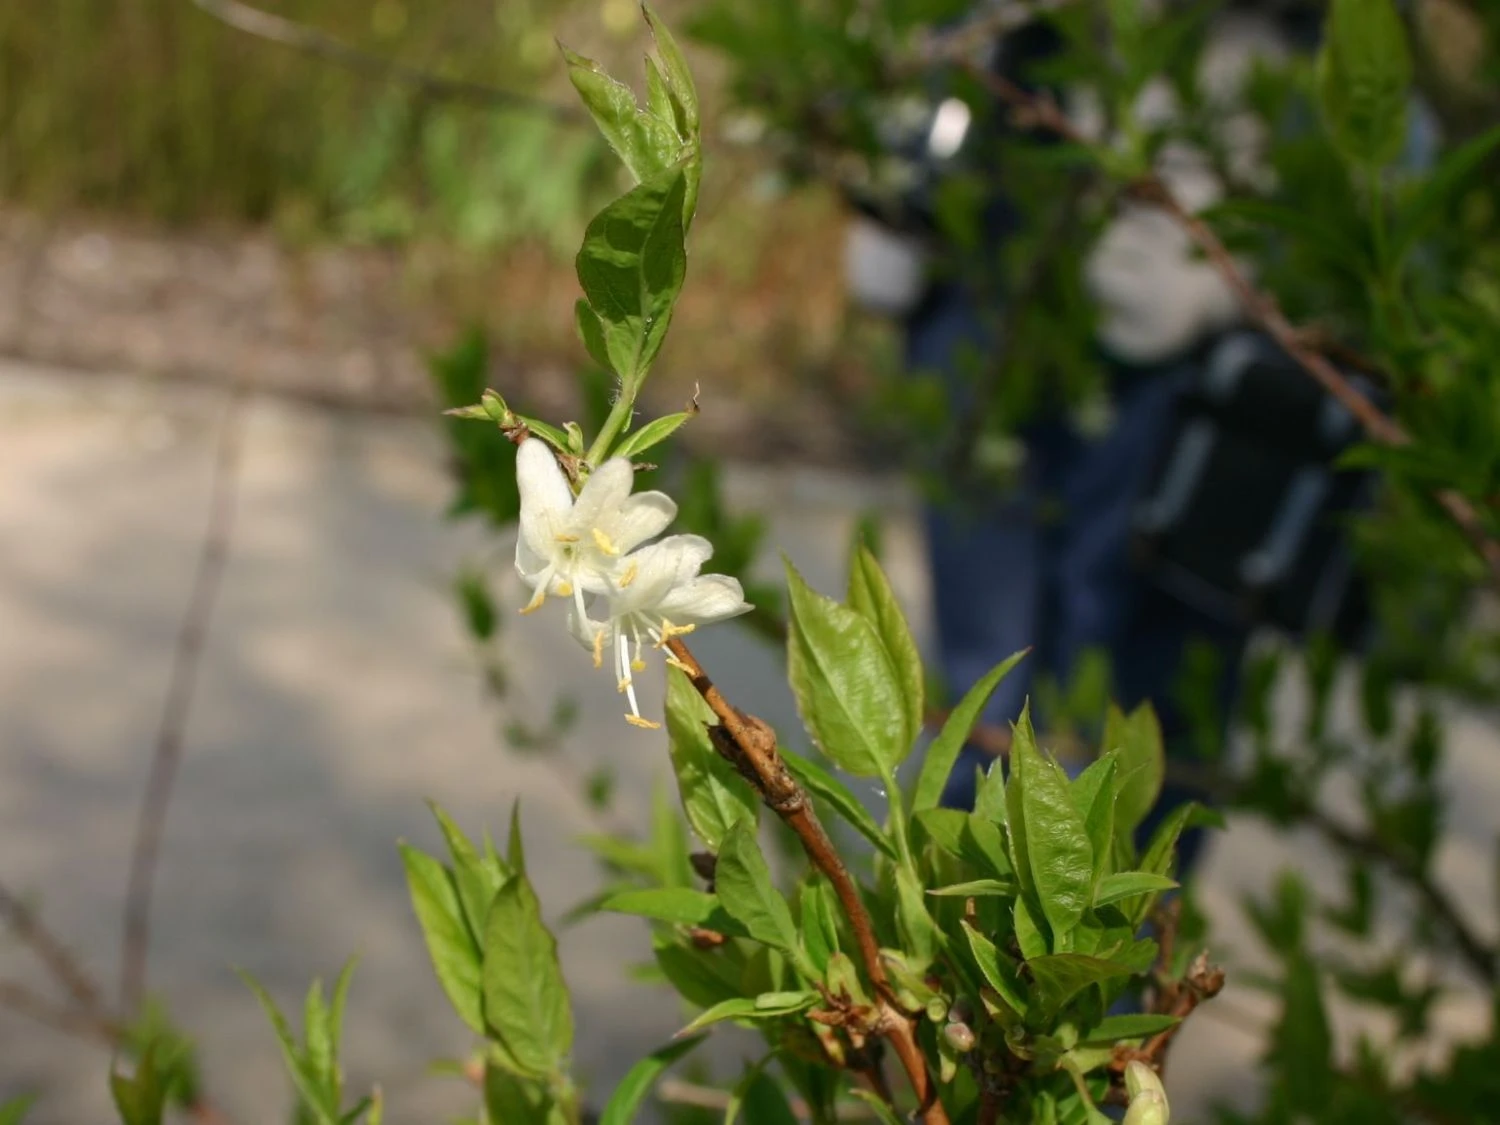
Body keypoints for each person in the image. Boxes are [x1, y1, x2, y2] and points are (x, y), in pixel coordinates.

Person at [845, 0, 1377, 874]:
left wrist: (1234, 258)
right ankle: (964, 983)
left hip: (1185, 322)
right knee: (984, 695)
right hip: (986, 243)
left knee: (1140, 715)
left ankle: (1107, 984)